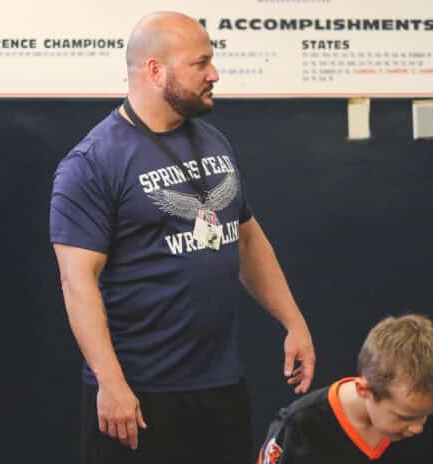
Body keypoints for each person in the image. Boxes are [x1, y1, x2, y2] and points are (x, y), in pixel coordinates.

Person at [50, 11, 315, 464]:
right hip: (139, 396)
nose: (214, 74)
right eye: (201, 63)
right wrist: (111, 383)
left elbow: (247, 240)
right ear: (155, 70)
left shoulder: (214, 142)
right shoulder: (92, 163)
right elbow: (78, 282)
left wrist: (293, 321)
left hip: (219, 386)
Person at [257, 313, 433, 464]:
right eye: (404, 417)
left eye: (425, 415)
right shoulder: (299, 428)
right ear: (364, 390)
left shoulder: (421, 417)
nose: (418, 428)